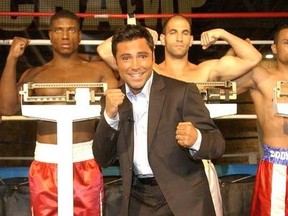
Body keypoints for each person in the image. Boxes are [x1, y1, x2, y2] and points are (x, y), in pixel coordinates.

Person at [96, 14, 262, 216]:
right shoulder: (114, 100)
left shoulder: (183, 91)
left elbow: (217, 145)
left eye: (142, 55)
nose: (135, 65)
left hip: (183, 199)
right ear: (117, 62)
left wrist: (196, 139)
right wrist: (110, 117)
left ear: (152, 57)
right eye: (126, 58)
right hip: (137, 200)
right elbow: (103, 158)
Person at [0, 10, 118, 216]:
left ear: (80, 35)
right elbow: (7, 108)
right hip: (47, 160)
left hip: (85, 159)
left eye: (71, 30)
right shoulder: (34, 74)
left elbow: (121, 101)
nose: (65, 36)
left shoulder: (99, 70)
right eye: (59, 30)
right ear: (50, 34)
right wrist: (12, 58)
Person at [235, 24, 288, 216]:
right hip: (276, 166)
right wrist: (237, 54)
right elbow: (224, 88)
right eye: (287, 42)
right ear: (274, 48)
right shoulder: (260, 75)